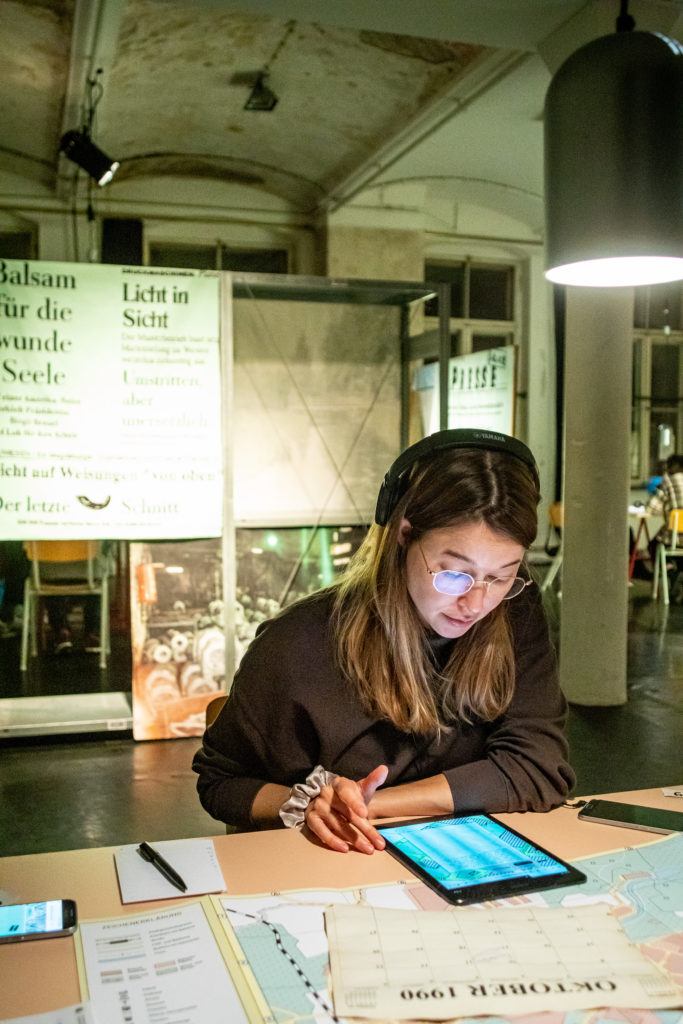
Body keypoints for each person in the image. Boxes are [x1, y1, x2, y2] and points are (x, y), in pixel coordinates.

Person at [193, 429, 575, 855]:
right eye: (454, 574)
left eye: (502, 575)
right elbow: (221, 782)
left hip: (457, 860)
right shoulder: (297, 645)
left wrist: (368, 804)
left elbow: (538, 767)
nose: (477, 602)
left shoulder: (513, 612)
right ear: (404, 534)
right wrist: (308, 804)